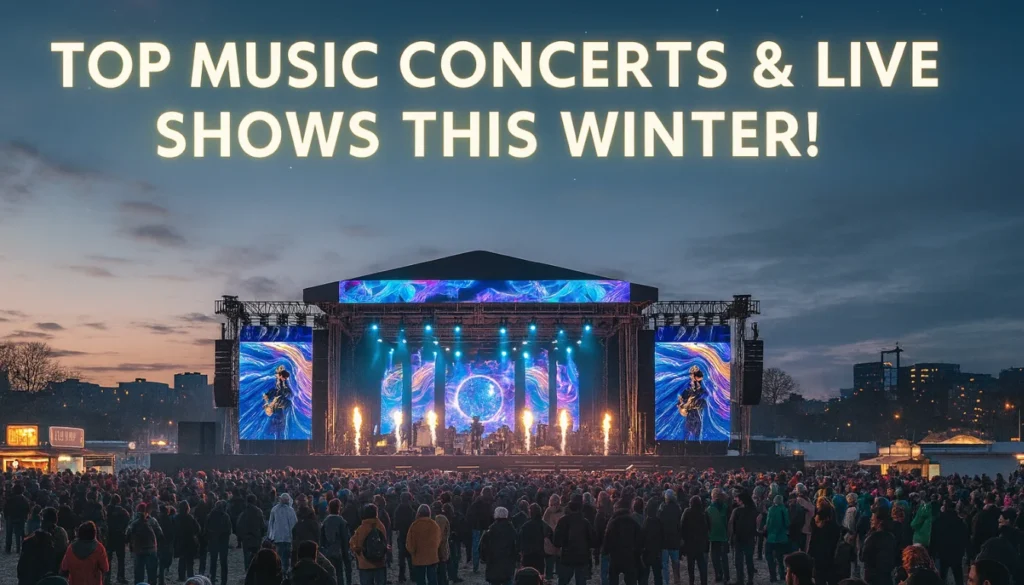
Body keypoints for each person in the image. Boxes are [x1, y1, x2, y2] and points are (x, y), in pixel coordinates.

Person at [18, 507, 69, 585]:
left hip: (35, 576)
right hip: (52, 573)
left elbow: (21, 565)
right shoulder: (61, 533)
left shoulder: (33, 537)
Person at [555, 494, 596, 585]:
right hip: (582, 556)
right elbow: (592, 540)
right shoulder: (585, 522)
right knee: (581, 581)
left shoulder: (563, 521)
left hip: (567, 555)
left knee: (563, 581)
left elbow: (556, 540)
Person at [604, 498, 642, 585]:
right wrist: (637, 554)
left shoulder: (613, 523)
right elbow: (639, 540)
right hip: (629, 556)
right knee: (631, 580)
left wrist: (605, 551)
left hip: (615, 557)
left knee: (613, 580)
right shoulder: (633, 522)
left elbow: (607, 539)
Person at [930, 501, 967, 585]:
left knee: (942, 575)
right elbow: (965, 538)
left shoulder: (938, 521)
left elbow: (933, 539)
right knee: (958, 575)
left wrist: (932, 553)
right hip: (957, 552)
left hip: (942, 552)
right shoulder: (960, 522)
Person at [350, 504, 388, 585]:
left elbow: (353, 543)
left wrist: (357, 551)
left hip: (365, 563)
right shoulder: (381, 526)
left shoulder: (361, 528)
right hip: (380, 561)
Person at [480, 507, 518, 585]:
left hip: (493, 562)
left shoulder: (490, 530)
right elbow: (516, 546)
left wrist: (484, 558)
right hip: (508, 562)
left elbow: (483, 546)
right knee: (508, 580)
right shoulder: (511, 530)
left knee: (495, 581)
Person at [126, 503, 161, 585]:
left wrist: (131, 546)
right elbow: (160, 533)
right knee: (152, 572)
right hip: (151, 549)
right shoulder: (152, 520)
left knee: (139, 572)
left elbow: (127, 535)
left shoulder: (133, 521)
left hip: (138, 550)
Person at [406, 504, 442, 585]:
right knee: (432, 578)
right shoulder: (434, 525)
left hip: (418, 556)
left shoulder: (414, 525)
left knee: (420, 579)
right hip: (432, 556)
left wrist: (412, 552)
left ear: (418, 513)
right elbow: (438, 539)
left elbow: (410, 542)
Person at [729, 491, 758, 585]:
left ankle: (740, 579)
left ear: (741, 500)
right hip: (750, 538)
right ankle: (750, 580)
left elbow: (731, 524)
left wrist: (731, 537)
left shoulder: (737, 511)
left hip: (739, 538)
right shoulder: (754, 510)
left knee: (739, 561)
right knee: (749, 560)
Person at [860, 512, 897, 585]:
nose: (870, 520)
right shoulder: (891, 536)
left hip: (872, 577)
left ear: (880, 522)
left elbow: (862, 557)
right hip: (887, 576)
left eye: (873, 519)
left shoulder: (872, 537)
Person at [680, 495, 710, 585]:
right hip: (700, 543)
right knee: (702, 564)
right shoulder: (703, 513)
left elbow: (682, 526)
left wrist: (683, 539)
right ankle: (704, 582)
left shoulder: (687, 512)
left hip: (690, 543)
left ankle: (691, 582)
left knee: (691, 566)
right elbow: (708, 527)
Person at [321, 499, 352, 585]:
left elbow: (321, 539)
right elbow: (346, 539)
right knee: (339, 574)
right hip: (339, 551)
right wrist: (347, 554)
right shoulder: (342, 521)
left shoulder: (325, 521)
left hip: (328, 552)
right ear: (339, 508)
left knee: (330, 574)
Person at [676, 365, 709, 440]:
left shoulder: (701, 389)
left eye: (693, 374)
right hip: (690, 414)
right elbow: (680, 400)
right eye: (691, 374)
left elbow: (705, 396)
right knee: (687, 433)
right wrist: (683, 404)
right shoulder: (687, 389)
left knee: (696, 434)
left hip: (697, 413)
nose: (691, 376)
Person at [205, 500, 233, 585]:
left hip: (213, 541)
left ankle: (212, 579)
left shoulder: (210, 515)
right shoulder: (225, 516)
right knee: (223, 562)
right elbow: (229, 530)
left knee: (213, 561)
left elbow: (206, 529)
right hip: (223, 541)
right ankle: (224, 581)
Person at [808, 509, 840, 585]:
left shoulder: (822, 531)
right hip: (826, 563)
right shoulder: (834, 528)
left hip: (825, 563)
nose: (816, 524)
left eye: (817, 522)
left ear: (825, 520)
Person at [764, 496, 791, 583]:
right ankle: (782, 575)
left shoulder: (771, 509)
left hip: (771, 537)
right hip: (781, 537)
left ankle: (773, 576)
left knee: (770, 557)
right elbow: (787, 523)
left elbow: (768, 523)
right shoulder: (784, 510)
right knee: (780, 558)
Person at [468, 487, 495, 575]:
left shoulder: (477, 502)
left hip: (477, 527)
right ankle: (489, 565)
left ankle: (475, 567)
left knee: (476, 547)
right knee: (488, 546)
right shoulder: (492, 502)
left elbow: (470, 514)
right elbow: (492, 516)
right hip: (487, 527)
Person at [269, 493, 298, 573]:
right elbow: (294, 524)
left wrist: (271, 536)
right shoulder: (277, 509)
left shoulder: (277, 509)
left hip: (282, 537)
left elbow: (293, 524)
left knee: (283, 556)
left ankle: (282, 571)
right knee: (283, 556)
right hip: (283, 537)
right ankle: (282, 571)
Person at [238, 494, 267, 572]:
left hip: (246, 538)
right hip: (256, 538)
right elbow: (263, 526)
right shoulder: (258, 511)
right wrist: (261, 535)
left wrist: (241, 537)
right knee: (256, 557)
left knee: (247, 557)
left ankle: (247, 571)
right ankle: (255, 572)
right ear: (255, 501)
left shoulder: (244, 512)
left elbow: (239, 525)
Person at [659, 490, 683, 585]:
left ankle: (666, 582)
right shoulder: (678, 508)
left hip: (664, 540)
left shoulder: (662, 509)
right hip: (675, 539)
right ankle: (677, 578)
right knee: (675, 561)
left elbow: (659, 524)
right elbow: (680, 525)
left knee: (665, 564)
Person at [106, 494, 131, 585]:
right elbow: (128, 518)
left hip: (109, 536)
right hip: (119, 536)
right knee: (121, 558)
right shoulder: (121, 510)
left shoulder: (106, 510)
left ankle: (107, 578)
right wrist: (122, 528)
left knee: (108, 558)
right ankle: (120, 577)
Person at [519, 503, 551, 574]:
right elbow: (551, 537)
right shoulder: (544, 525)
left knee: (527, 574)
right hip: (540, 554)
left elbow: (520, 540)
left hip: (527, 555)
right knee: (539, 575)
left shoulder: (525, 526)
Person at [706, 489, 730, 584]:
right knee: (724, 557)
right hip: (723, 534)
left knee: (715, 557)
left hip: (713, 535)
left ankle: (718, 575)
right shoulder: (725, 507)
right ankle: (726, 576)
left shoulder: (709, 509)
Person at [640, 497, 665, 585]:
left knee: (645, 575)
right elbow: (662, 537)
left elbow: (642, 538)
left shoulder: (646, 522)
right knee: (657, 576)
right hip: (656, 553)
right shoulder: (658, 522)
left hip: (647, 552)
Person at [265, 365, 294, 440]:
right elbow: (275, 391)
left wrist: (284, 391)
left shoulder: (283, 382)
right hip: (277, 403)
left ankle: (279, 436)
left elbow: (288, 393)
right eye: (284, 378)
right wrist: (268, 396)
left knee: (280, 424)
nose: (285, 379)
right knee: (276, 423)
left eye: (285, 378)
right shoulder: (277, 381)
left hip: (280, 404)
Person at [175, 501, 201, 581]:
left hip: (180, 542)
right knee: (190, 561)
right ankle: (190, 576)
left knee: (182, 560)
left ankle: (181, 577)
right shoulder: (190, 517)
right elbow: (198, 529)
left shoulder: (177, 518)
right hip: (190, 541)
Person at [395, 492, 417, 582]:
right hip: (410, 535)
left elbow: (395, 524)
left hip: (401, 535)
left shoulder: (398, 509)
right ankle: (413, 576)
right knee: (410, 556)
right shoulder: (411, 510)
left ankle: (401, 576)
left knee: (401, 557)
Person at [5, 483, 31, 554]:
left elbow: (6, 508)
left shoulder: (10, 499)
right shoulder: (24, 499)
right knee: (19, 534)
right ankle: (19, 548)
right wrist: (25, 517)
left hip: (10, 517)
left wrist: (6, 516)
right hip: (20, 518)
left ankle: (8, 548)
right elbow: (28, 509)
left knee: (9, 533)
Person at [435, 503, 452, 585]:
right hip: (443, 546)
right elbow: (447, 532)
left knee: (439, 569)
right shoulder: (443, 518)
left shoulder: (437, 519)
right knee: (442, 567)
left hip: (438, 546)